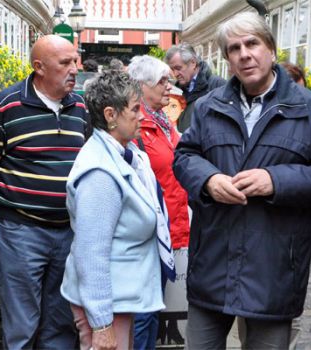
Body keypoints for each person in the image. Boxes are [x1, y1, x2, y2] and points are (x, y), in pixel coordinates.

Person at [172, 12, 311, 349]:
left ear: (270, 49)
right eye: (234, 48)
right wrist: (208, 180)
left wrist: (276, 180)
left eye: (252, 43)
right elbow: (184, 156)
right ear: (227, 60)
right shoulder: (209, 107)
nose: (244, 54)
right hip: (213, 262)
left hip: (273, 270)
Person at [0, 35, 86, 349]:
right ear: (38, 67)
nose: (74, 69)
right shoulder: (5, 105)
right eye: (65, 62)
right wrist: (11, 204)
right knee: (21, 327)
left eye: (75, 60)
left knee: (61, 326)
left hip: (68, 232)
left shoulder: (79, 106)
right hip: (21, 233)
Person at [60, 70, 168, 350]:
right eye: (135, 109)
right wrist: (102, 325)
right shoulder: (100, 174)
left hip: (118, 302)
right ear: (110, 115)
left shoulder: (122, 154)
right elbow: (91, 253)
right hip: (107, 310)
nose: (142, 116)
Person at [127, 55, 190, 349]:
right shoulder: (135, 128)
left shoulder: (165, 122)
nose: (170, 87)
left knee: (153, 313)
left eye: (169, 80)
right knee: (141, 317)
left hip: (169, 230)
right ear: (141, 86)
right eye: (162, 81)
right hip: (146, 236)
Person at [164, 43, 225, 132]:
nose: (175, 74)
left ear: (193, 63)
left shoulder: (218, 86)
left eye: (178, 68)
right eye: (172, 69)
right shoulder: (176, 92)